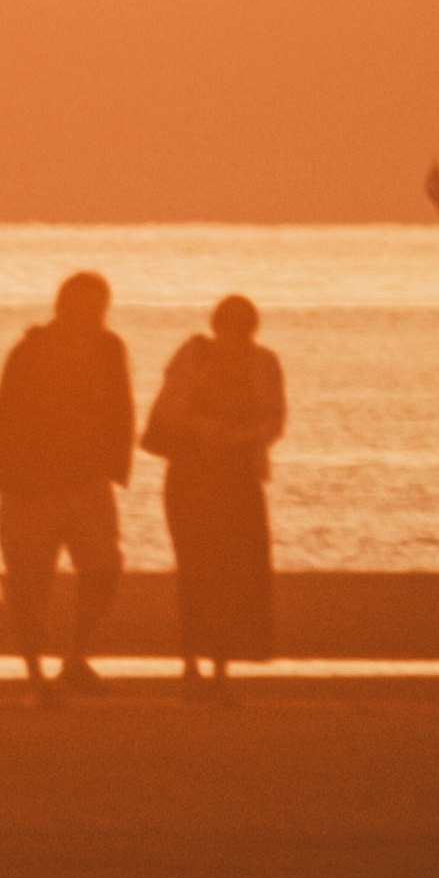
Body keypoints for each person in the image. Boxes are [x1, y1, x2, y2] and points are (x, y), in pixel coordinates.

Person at [0, 270, 135, 692]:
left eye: (98, 308)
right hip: (29, 487)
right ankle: (34, 672)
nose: (91, 316)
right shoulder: (30, 351)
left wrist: (117, 467)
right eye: (82, 307)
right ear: (62, 307)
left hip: (88, 483)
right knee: (29, 584)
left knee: (103, 570)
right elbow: (3, 414)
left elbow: (122, 407)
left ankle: (75, 656)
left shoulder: (108, 348)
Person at [144, 292, 286, 685]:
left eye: (243, 325)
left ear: (252, 327)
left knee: (235, 571)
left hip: (238, 474)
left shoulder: (264, 362)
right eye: (229, 324)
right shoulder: (193, 356)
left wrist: (240, 434)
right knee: (195, 568)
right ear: (216, 324)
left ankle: (221, 664)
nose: (235, 332)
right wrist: (202, 427)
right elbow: (168, 409)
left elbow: (274, 419)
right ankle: (191, 661)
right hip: (190, 474)